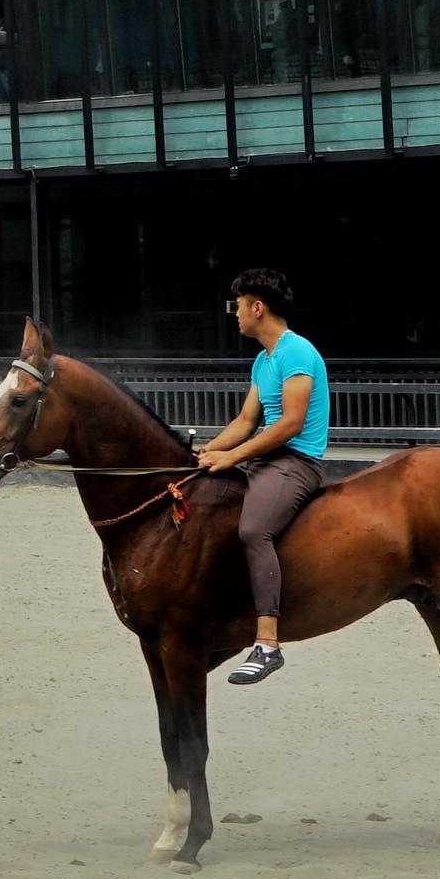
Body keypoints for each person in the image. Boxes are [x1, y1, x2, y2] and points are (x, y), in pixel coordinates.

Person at [190, 269, 330, 686]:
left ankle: (267, 643)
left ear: (257, 307)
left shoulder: (297, 353)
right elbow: (247, 419)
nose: (234, 315)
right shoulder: (263, 359)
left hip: (296, 461)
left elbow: (290, 424)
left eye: (238, 306)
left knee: (253, 530)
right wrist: (209, 453)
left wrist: (232, 456)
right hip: (264, 460)